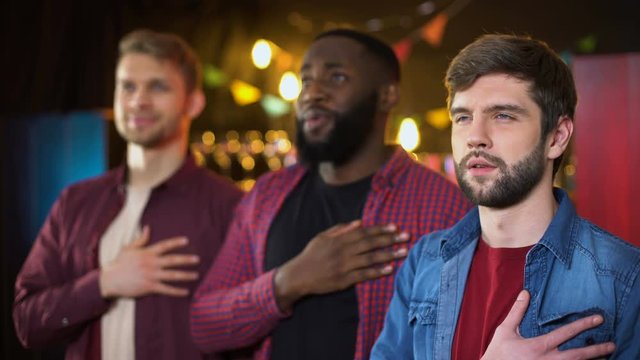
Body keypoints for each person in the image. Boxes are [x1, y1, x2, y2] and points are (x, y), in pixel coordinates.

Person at [189, 29, 472, 360]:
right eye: (306, 80)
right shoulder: (267, 195)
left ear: (386, 96)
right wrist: (288, 282)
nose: (312, 93)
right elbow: (204, 324)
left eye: (336, 77)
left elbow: (464, 339)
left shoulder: (443, 205)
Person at [371, 34, 640, 359]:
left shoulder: (623, 277)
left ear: (557, 137)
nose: (475, 137)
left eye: (503, 116)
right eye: (463, 117)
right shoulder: (425, 262)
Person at [13, 29, 243, 360]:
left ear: (193, 102)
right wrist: (104, 283)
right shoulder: (75, 202)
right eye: (128, 86)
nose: (138, 100)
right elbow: (28, 324)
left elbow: (251, 335)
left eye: (158, 86)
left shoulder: (230, 207)